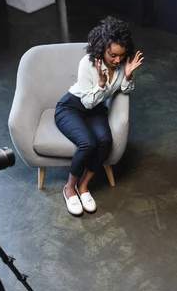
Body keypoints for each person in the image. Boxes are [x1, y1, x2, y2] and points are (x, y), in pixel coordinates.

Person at [55, 16, 144, 216]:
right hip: (72, 108)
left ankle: (84, 186)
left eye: (121, 55)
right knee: (88, 142)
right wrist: (102, 84)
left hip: (95, 110)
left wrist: (128, 75)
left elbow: (124, 90)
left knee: (105, 140)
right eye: (113, 55)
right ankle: (69, 188)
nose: (117, 60)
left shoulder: (122, 64)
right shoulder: (87, 64)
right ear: (102, 47)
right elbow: (87, 102)